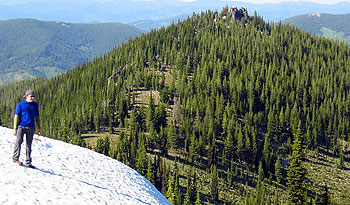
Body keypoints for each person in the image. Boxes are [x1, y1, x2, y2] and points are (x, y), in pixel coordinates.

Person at [13, 90, 41, 168]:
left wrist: (39, 127)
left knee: (29, 144)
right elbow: (16, 116)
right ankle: (15, 159)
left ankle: (28, 161)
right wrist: (15, 128)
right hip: (21, 127)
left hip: (31, 127)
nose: (32, 98)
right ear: (26, 96)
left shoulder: (35, 105)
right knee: (18, 142)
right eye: (31, 96)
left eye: (33, 96)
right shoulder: (20, 104)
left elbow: (37, 117)